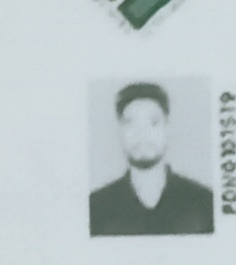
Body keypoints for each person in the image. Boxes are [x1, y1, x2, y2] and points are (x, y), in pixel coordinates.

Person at [89, 81, 215, 236]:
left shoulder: (204, 202)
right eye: (130, 123)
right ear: (119, 131)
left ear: (167, 128)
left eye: (153, 123)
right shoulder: (96, 207)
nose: (142, 134)